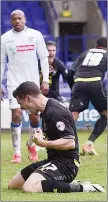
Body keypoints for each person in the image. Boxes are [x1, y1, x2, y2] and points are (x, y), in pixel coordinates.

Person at [8, 81, 105, 193]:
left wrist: (43, 143)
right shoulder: (45, 110)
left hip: (67, 165)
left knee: (29, 188)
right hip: (53, 160)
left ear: (28, 98)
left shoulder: (55, 111)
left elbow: (70, 142)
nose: (22, 108)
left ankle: (84, 187)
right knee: (13, 184)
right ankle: (59, 183)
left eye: (21, 104)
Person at [1, 10, 49, 163]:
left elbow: (43, 58)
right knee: (16, 114)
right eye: (14, 19)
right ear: (11, 21)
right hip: (14, 81)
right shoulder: (5, 38)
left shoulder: (36, 35)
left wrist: (45, 80)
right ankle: (17, 153)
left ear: (25, 19)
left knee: (34, 117)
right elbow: (2, 62)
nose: (17, 21)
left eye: (19, 18)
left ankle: (31, 145)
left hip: (32, 82)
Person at [67, 37, 107, 155]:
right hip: (95, 82)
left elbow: (69, 73)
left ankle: (66, 144)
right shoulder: (106, 55)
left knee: (73, 115)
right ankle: (89, 143)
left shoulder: (84, 54)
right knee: (105, 114)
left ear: (96, 45)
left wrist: (73, 87)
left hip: (79, 83)